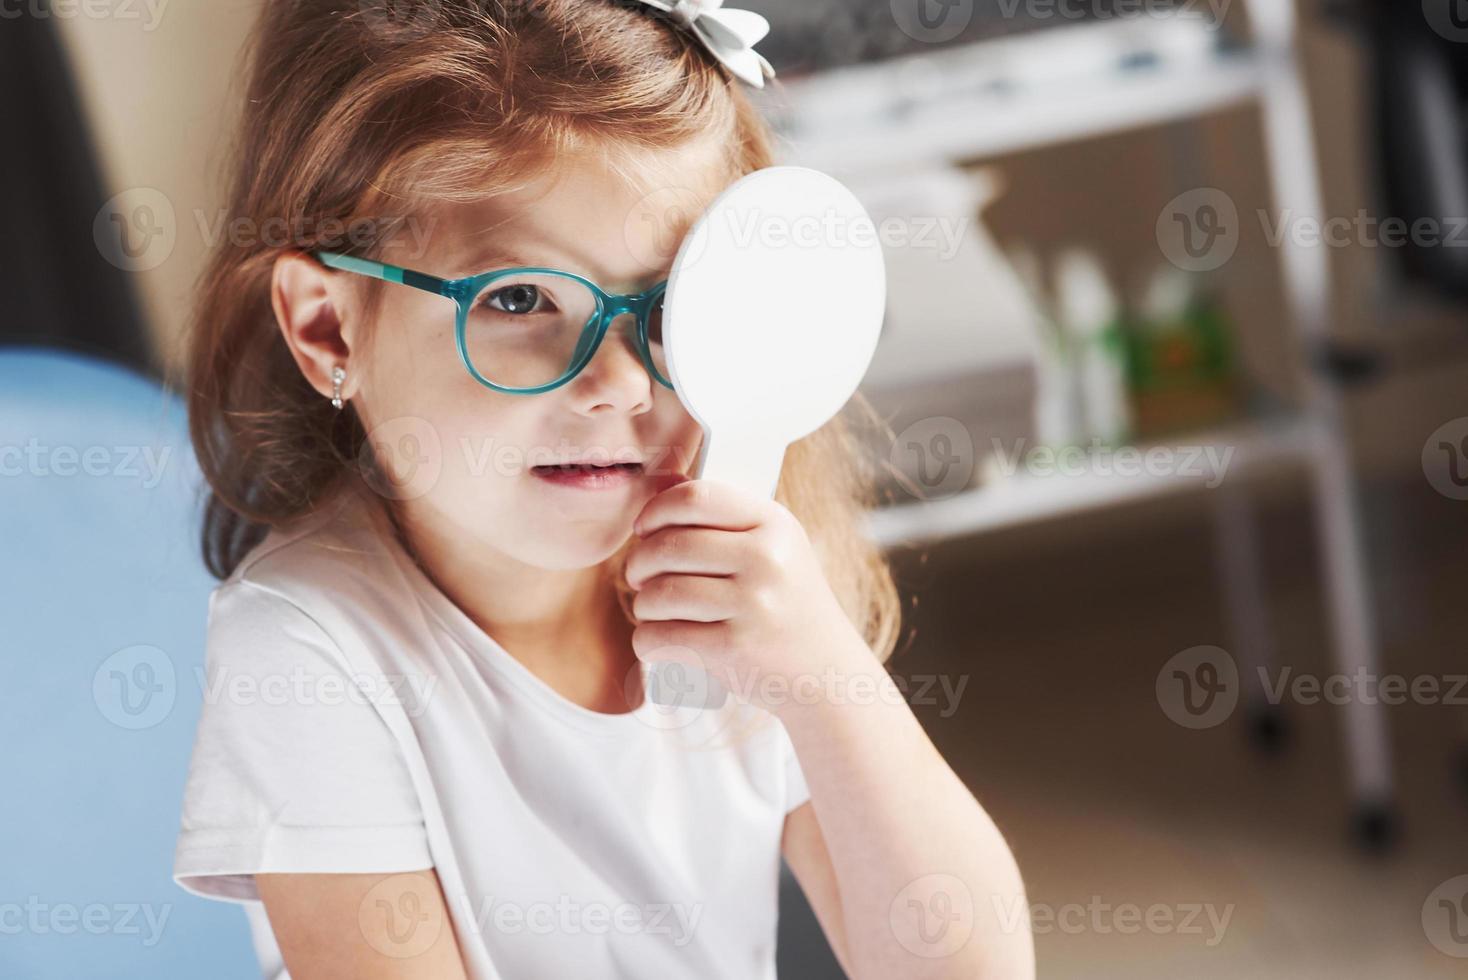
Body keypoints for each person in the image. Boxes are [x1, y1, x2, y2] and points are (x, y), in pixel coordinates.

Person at [171, 2, 1033, 978]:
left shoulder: (741, 591)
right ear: (329, 327)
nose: (621, 380)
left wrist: (820, 674)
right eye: (518, 299)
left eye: (670, 304)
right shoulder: (307, 647)